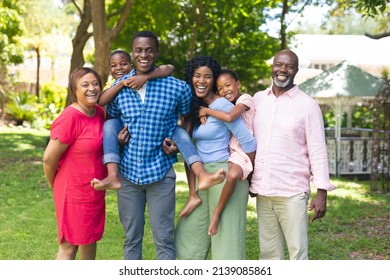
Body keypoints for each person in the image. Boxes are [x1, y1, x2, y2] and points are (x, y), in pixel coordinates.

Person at [105, 30, 193, 260]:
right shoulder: (120, 88)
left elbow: (188, 116)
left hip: (160, 174)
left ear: (156, 53)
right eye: (139, 50)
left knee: (164, 238)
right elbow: (112, 119)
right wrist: (117, 139)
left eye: (149, 50)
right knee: (131, 238)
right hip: (127, 175)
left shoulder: (176, 87)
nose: (144, 55)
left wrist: (178, 141)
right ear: (133, 54)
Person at [250, 49, 336, 260]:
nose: (283, 70)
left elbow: (317, 149)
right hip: (263, 190)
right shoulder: (258, 100)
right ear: (272, 67)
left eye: (289, 66)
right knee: (268, 254)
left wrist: (322, 191)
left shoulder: (308, 105)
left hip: (292, 192)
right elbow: (247, 140)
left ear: (296, 71)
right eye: (279, 64)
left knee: (297, 254)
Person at [174, 55, 256, 260]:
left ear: (214, 80)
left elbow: (249, 142)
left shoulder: (222, 106)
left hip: (224, 174)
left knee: (226, 247)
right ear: (190, 78)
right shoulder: (194, 108)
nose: (201, 81)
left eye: (207, 76)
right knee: (187, 239)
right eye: (197, 76)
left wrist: (247, 173)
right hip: (202, 178)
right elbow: (189, 148)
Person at [42, 67, 106, 260]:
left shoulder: (100, 113)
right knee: (69, 245)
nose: (91, 88)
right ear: (74, 90)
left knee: (90, 240)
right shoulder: (70, 117)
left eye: (95, 83)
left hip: (94, 190)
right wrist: (55, 184)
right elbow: (48, 158)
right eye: (84, 85)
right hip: (72, 190)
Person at [91, 49, 176, 191]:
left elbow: (170, 68)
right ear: (109, 69)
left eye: (123, 64)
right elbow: (101, 101)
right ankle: (112, 175)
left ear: (131, 66)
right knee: (110, 125)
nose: (118, 68)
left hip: (142, 128)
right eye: (114, 65)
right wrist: (121, 83)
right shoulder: (111, 85)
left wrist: (146, 77)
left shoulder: (142, 79)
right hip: (119, 126)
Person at [197, 69, 255, 236]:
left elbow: (230, 117)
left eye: (228, 85)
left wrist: (207, 110)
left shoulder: (245, 99)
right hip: (233, 149)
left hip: (244, 149)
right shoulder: (229, 103)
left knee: (232, 175)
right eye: (220, 88)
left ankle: (217, 213)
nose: (224, 91)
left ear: (238, 84)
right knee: (233, 177)